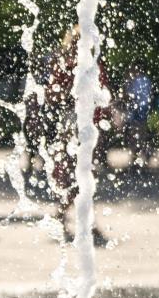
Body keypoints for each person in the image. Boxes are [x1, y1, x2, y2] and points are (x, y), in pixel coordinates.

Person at [45, 26, 112, 246]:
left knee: (84, 174)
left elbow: (103, 92)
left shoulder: (93, 64)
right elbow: (51, 94)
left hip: (90, 125)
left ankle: (67, 216)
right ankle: (72, 218)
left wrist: (106, 113)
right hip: (72, 123)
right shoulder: (67, 64)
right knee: (73, 174)